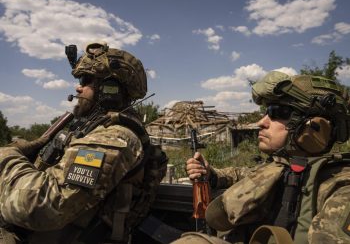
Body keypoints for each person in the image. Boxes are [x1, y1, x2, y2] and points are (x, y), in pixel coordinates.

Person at [0, 42, 167, 244]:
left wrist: (7, 157)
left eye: (85, 79)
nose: (78, 86)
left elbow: (41, 207)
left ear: (110, 89)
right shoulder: (96, 129)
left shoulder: (113, 137)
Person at [176, 71, 350, 244]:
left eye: (277, 112)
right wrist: (210, 174)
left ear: (315, 126)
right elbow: (244, 174)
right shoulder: (282, 166)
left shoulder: (340, 187)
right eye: (266, 112)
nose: (261, 122)